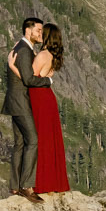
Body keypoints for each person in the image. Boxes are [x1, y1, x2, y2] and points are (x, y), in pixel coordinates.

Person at [2, 17, 45, 202]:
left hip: (13, 100)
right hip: (21, 101)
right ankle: (27, 186)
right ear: (29, 30)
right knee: (33, 140)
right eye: (38, 30)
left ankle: (14, 186)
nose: (40, 34)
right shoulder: (25, 51)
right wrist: (47, 81)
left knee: (19, 143)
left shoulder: (20, 47)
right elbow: (28, 80)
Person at [30, 22, 70, 196]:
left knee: (40, 139)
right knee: (50, 140)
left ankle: (41, 183)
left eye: (42, 32)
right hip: (48, 97)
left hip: (39, 97)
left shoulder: (42, 55)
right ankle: (53, 181)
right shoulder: (52, 55)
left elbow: (30, 78)